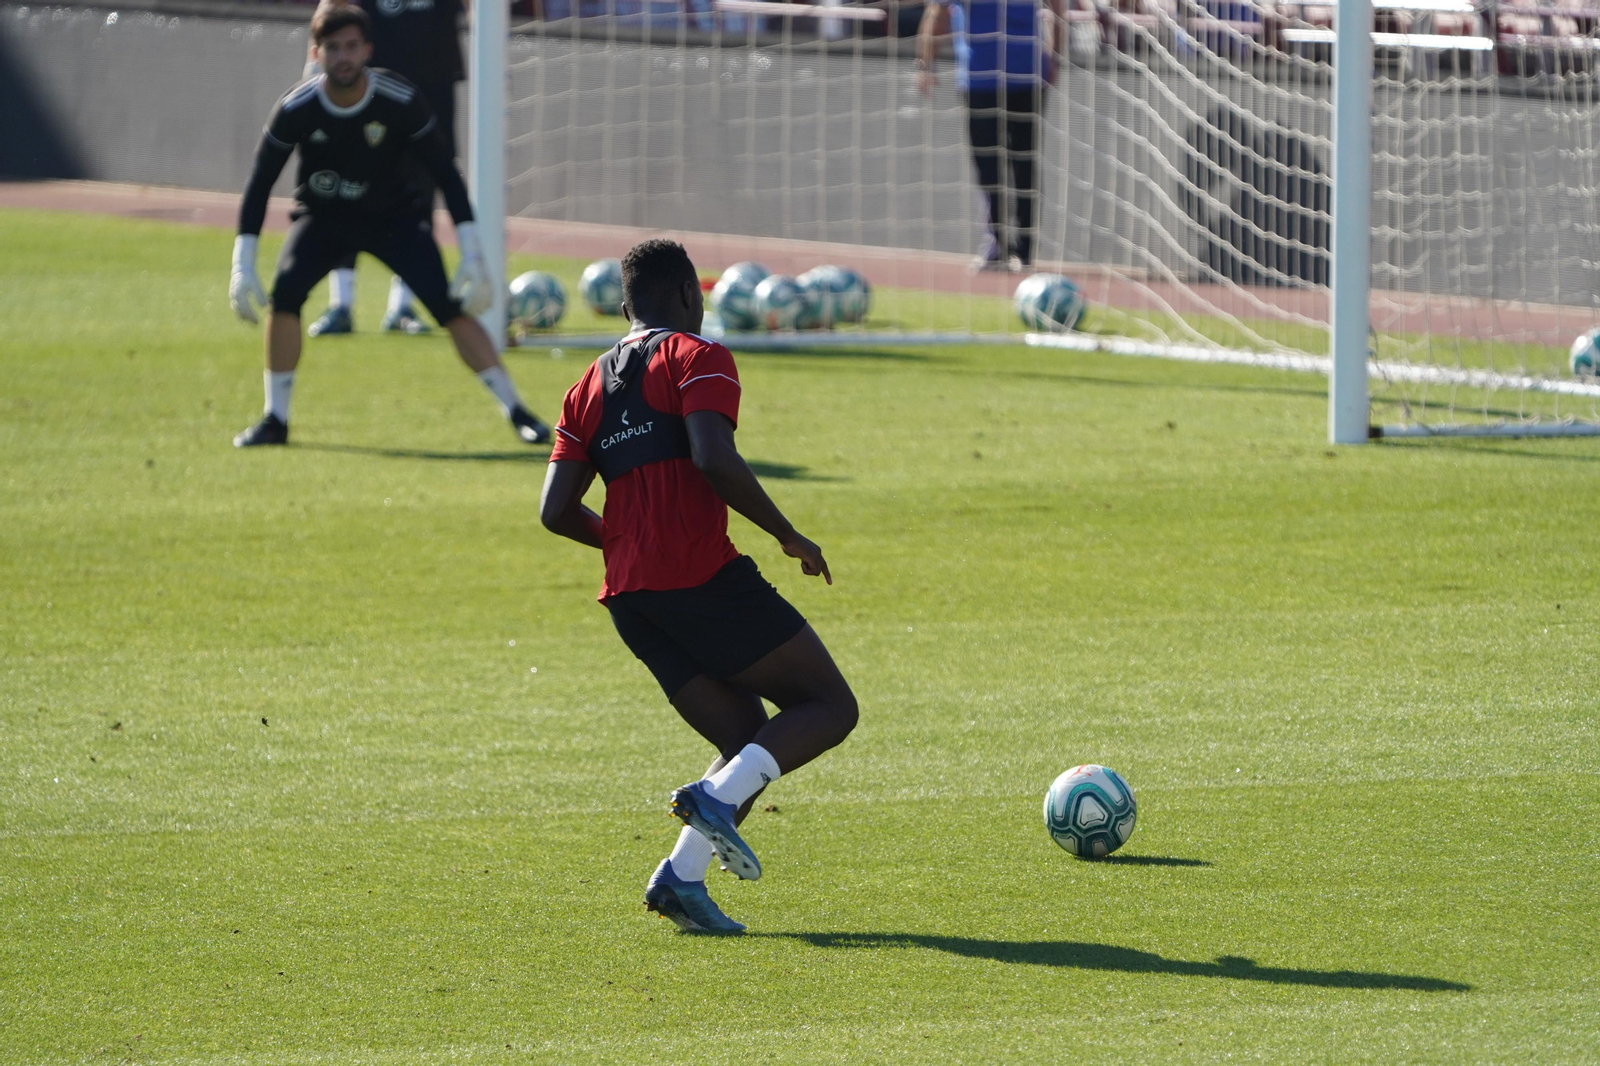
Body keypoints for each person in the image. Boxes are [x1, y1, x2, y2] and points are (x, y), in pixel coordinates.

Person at [538, 239, 859, 935]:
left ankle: (681, 880)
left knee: (746, 735)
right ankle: (711, 807)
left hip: (631, 599)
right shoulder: (697, 356)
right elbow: (714, 457)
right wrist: (787, 534)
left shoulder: (585, 386)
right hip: (700, 577)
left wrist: (627, 546)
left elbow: (554, 511)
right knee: (829, 705)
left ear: (625, 306)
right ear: (689, 292)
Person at [229, 4, 550, 448]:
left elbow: (446, 173)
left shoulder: (399, 100)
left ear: (368, 50)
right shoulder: (295, 107)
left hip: (393, 221)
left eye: (352, 46)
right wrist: (242, 263)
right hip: (323, 221)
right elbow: (259, 183)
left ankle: (517, 410)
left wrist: (472, 253)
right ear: (316, 52)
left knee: (449, 308)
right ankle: (275, 419)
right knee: (284, 299)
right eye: (333, 47)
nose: (343, 56)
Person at [304, 0, 468, 336]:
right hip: (369, 90)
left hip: (432, 83)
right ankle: (341, 305)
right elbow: (332, 7)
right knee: (345, 191)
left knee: (422, 191)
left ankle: (402, 307)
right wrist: (313, 66)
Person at [917, 0, 1063, 271]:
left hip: (1002, 77)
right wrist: (1053, 56)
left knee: (1003, 164)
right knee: (1010, 164)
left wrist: (926, 65)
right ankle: (1012, 246)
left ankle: (1009, 246)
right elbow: (937, 13)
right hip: (1004, 75)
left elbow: (936, 15)